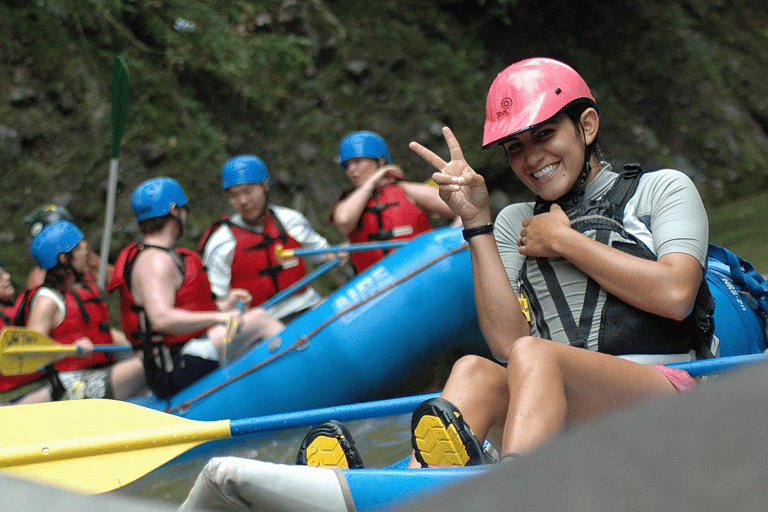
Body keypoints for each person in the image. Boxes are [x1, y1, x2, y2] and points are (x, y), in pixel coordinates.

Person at [400, 56, 715, 466]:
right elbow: (505, 345)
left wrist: (565, 241)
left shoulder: (662, 189)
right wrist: (476, 222)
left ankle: (514, 488)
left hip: (668, 392)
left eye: (544, 135)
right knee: (472, 370)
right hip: (559, 401)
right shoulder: (516, 222)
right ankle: (411, 490)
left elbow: (676, 294)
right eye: (515, 148)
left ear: (586, 126)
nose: (531, 159)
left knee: (537, 353)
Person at [108, 177, 285, 400]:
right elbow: (161, 318)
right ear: (174, 210)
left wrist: (223, 305)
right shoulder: (155, 261)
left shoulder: (157, 255)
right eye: (183, 209)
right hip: (174, 367)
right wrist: (219, 318)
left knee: (248, 329)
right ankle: (308, 371)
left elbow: (182, 310)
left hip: (180, 355)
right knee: (259, 320)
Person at [10, 221, 146, 403]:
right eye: (78, 248)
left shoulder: (72, 290)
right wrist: (72, 350)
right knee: (150, 363)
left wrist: (137, 346)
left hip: (97, 370)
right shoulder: (47, 300)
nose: (85, 249)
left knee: (151, 356)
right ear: (64, 258)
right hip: (71, 383)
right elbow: (32, 352)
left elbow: (103, 332)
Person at [199, 155, 336, 323]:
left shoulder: (290, 220)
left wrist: (338, 256)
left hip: (306, 305)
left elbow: (325, 255)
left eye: (249, 191)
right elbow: (217, 300)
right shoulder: (221, 242)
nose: (243, 201)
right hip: (260, 322)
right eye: (234, 196)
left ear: (265, 185)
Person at [330, 130, 457, 273]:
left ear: (381, 161)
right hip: (377, 284)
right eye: (347, 165)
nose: (351, 170)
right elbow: (344, 221)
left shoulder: (408, 190)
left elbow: (464, 210)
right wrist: (373, 180)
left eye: (357, 161)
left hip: (420, 271)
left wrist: (446, 241)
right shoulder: (348, 202)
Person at [23, 204, 113, 290]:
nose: (83, 245)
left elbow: (116, 279)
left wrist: (92, 258)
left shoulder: (81, 264)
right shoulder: (39, 278)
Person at [0, 259, 48, 404]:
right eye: (0, 275)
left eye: (4, 272)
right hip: (10, 398)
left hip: (38, 384)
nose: (7, 276)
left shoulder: (21, 309)